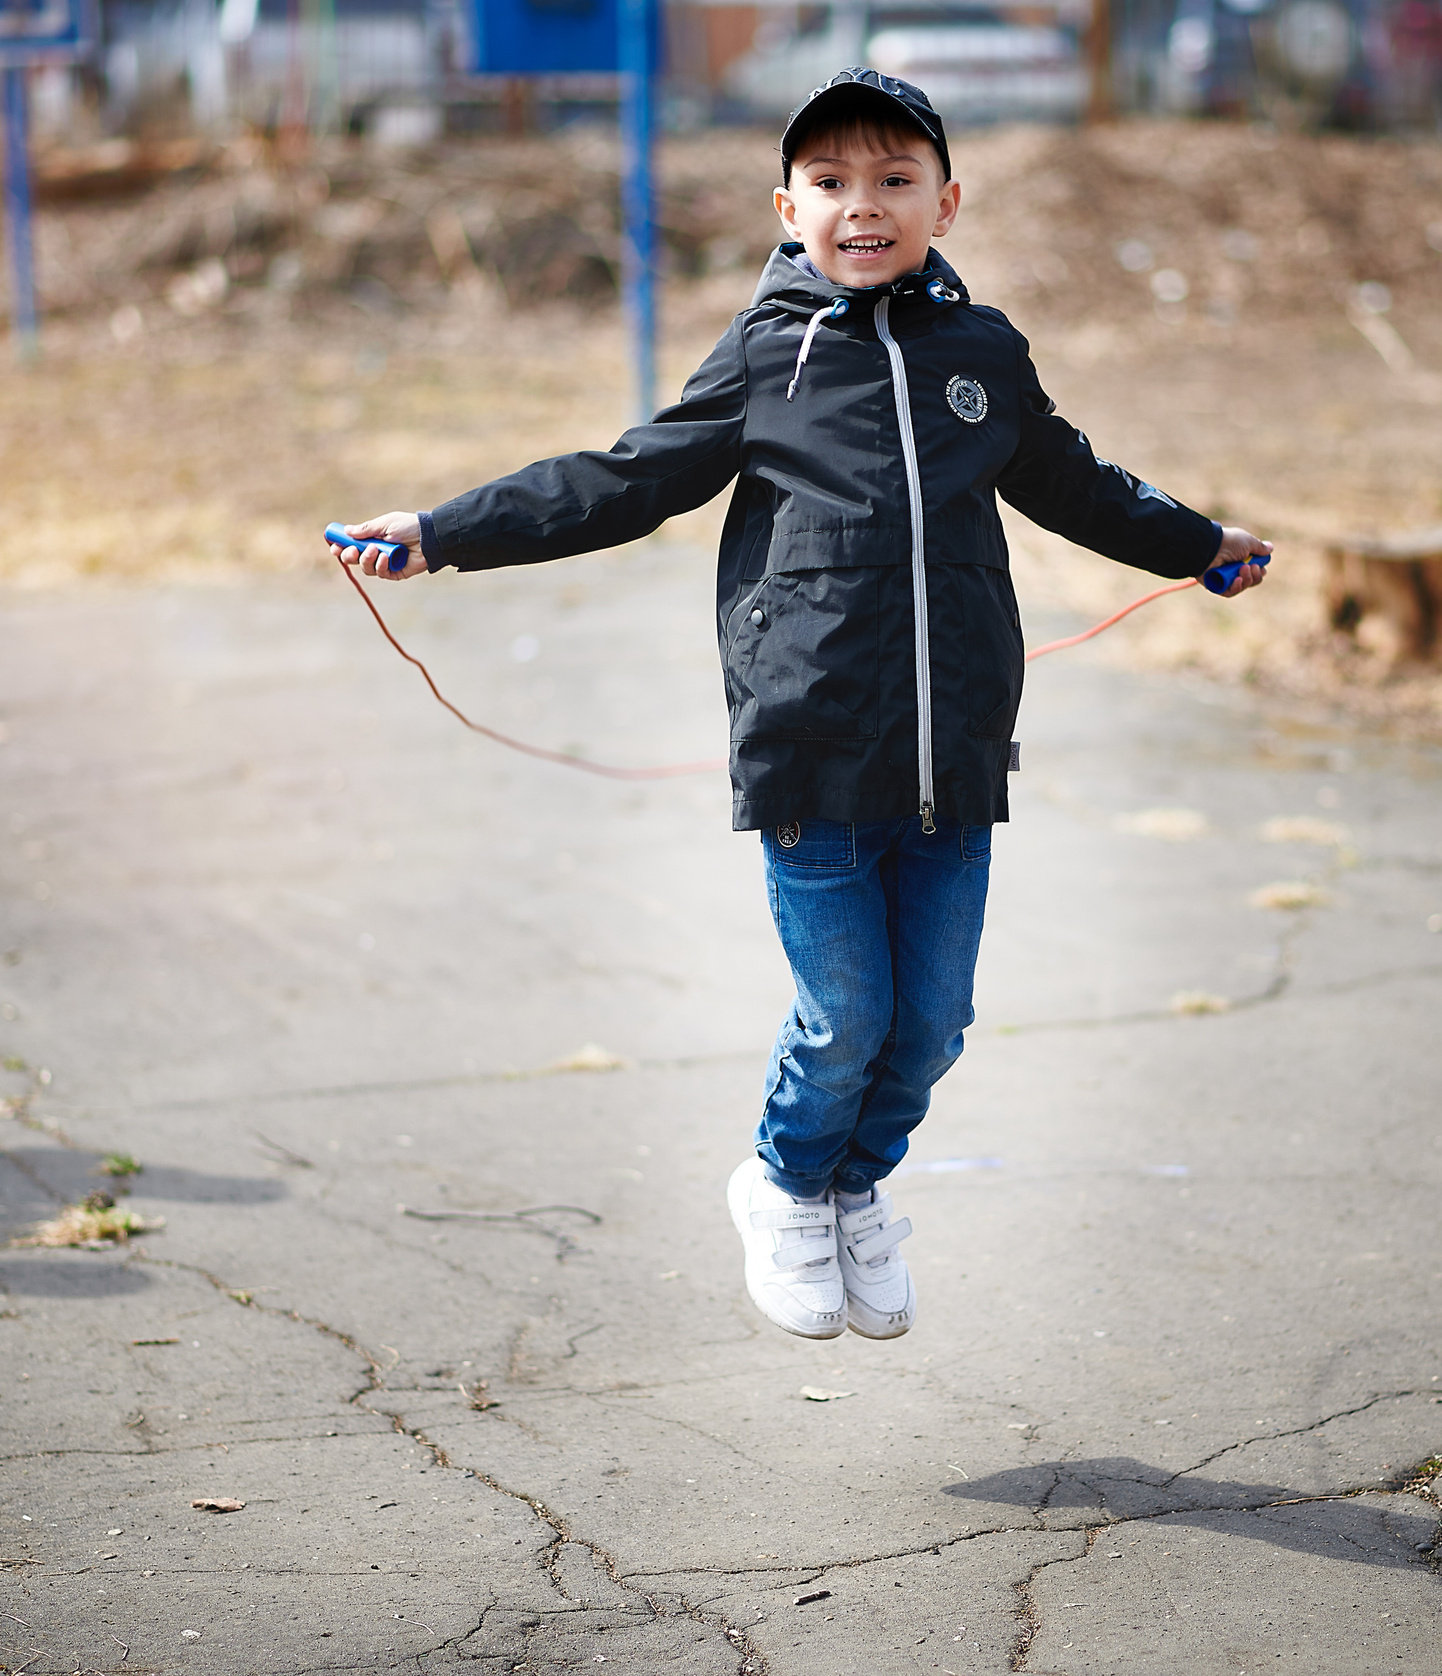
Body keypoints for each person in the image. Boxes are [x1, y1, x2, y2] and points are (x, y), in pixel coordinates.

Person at [330, 67, 1270, 1344]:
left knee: (930, 1027)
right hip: (811, 754)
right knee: (845, 1020)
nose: (861, 205)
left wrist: (1197, 542)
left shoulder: (984, 355)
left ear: (947, 202)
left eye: (893, 179)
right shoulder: (766, 356)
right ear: (787, 208)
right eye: (829, 182)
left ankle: (853, 1186)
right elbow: (621, 479)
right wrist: (442, 532)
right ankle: (781, 1183)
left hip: (953, 761)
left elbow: (1076, 483)